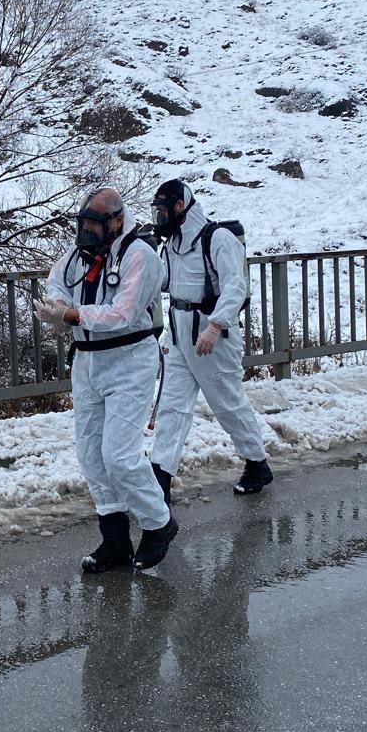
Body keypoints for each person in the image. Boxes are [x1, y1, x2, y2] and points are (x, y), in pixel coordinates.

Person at [36, 187, 179, 571]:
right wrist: (55, 306)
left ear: (116, 220)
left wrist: (71, 315)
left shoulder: (141, 257)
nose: (86, 232)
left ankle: (158, 522)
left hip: (129, 360)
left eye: (94, 225)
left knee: (119, 454)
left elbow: (123, 313)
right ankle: (114, 539)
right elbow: (57, 282)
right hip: (88, 362)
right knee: (91, 454)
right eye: (83, 224)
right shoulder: (78, 256)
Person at [148, 178, 273, 500]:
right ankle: (160, 476)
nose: (160, 218)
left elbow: (236, 286)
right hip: (179, 334)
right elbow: (165, 281)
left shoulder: (218, 239)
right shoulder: (172, 244)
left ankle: (256, 463)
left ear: (180, 206)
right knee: (172, 407)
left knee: (227, 403)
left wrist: (215, 326)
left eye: (163, 211)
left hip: (212, 336)